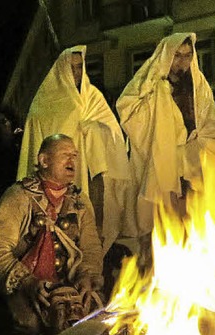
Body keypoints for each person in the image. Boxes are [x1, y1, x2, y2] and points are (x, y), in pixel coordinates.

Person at [18, 46, 135, 255]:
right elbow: (39, 134)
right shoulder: (46, 101)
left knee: (91, 225)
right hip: (57, 179)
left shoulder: (93, 97)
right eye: (71, 68)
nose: (76, 73)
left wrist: (92, 129)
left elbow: (112, 131)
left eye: (79, 67)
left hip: (91, 172)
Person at [0, 134, 104, 335]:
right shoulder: (19, 196)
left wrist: (86, 276)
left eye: (74, 156)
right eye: (65, 155)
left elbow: (91, 248)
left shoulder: (79, 201)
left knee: (96, 314)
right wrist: (26, 282)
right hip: (29, 284)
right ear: (44, 160)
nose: (72, 161)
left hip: (68, 282)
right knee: (33, 323)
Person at [116, 33, 215, 240]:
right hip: (162, 162)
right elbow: (128, 111)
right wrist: (156, 101)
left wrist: (201, 146)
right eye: (177, 55)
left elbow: (211, 123)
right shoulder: (148, 83)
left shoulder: (199, 84)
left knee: (194, 224)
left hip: (193, 165)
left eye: (187, 56)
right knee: (162, 226)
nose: (182, 62)